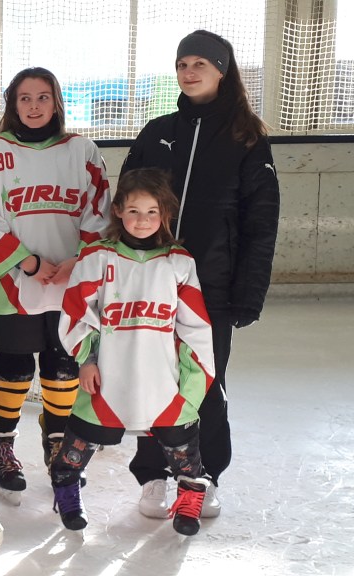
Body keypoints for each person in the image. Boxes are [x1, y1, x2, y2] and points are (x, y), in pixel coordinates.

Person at [121, 30, 280, 519]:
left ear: (222, 71)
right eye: (182, 64)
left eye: (200, 64)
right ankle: (153, 473)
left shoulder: (247, 139)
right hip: (151, 282)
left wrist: (248, 292)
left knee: (205, 381)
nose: (188, 72)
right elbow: (124, 205)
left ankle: (204, 474)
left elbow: (261, 223)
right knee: (151, 374)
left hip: (212, 287)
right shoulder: (157, 131)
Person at [0, 67, 111, 502]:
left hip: (70, 282)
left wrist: (77, 264)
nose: (33, 106)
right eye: (24, 98)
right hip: (16, 280)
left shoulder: (82, 151)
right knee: (14, 365)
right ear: (12, 104)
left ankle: (59, 443)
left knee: (63, 362)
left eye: (43, 97)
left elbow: (100, 212)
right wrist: (26, 261)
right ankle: (0, 445)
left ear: (57, 102)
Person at [51, 168, 216, 536]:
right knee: (78, 443)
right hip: (108, 377)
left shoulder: (179, 263)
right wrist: (86, 360)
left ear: (165, 213)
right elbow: (76, 313)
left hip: (162, 379)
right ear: (118, 211)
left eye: (152, 212)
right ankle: (66, 491)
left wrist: (192, 385)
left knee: (182, 447)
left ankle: (190, 500)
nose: (143, 220)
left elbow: (195, 329)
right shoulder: (97, 257)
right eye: (134, 211)